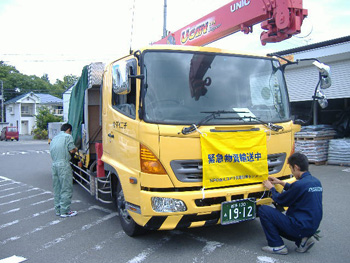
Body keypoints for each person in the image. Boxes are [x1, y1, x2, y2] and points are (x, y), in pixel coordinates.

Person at [259, 152, 323, 255]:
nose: (292, 172)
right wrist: (280, 182)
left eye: (291, 169)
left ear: (296, 167)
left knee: (264, 210)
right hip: (311, 227)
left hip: (299, 227)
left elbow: (281, 200)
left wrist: (271, 187)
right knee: (294, 218)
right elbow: (298, 190)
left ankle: (277, 245)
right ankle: (303, 240)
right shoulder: (316, 182)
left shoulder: (299, 185)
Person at [50, 123, 78, 218]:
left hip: (54, 164)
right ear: (69, 130)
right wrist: (76, 149)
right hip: (63, 164)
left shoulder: (54, 138)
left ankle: (58, 210)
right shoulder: (67, 137)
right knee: (66, 188)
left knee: (57, 188)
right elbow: (71, 150)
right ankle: (65, 211)